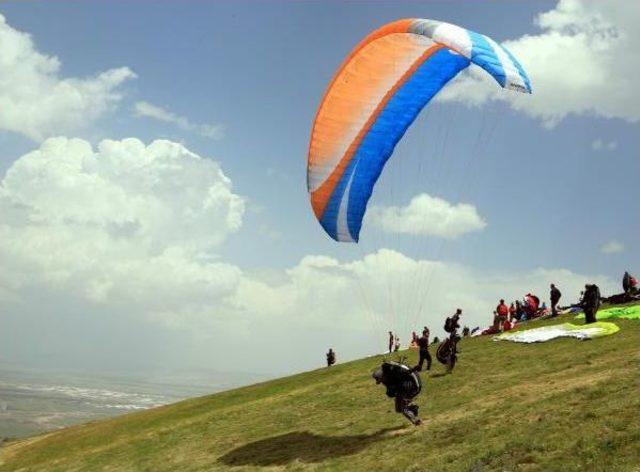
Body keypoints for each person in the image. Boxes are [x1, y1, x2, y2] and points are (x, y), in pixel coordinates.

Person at [372, 360, 422, 425]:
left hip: (410, 387)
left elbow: (405, 373)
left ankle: (415, 420)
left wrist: (414, 369)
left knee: (401, 407)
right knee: (398, 409)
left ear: (383, 375)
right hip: (404, 389)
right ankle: (413, 409)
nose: (381, 381)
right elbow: (390, 392)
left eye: (380, 379)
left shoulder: (394, 371)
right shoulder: (387, 380)